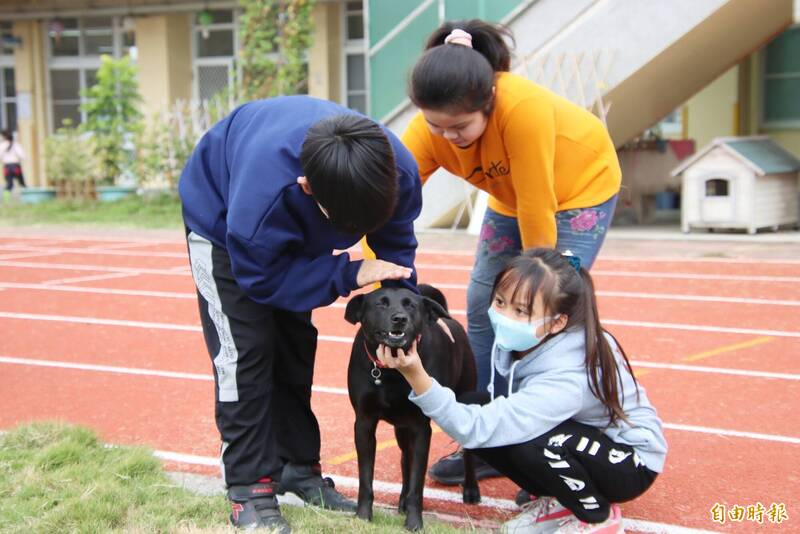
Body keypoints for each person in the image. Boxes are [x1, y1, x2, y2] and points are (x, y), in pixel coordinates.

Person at [179, 96, 422, 532]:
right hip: (220, 222)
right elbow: (262, 282)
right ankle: (249, 485)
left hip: (297, 211)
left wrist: (402, 313)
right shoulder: (264, 199)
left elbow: (397, 245)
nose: (350, 235)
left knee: (296, 341)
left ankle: (296, 466)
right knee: (247, 352)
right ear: (309, 187)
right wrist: (347, 273)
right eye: (345, 227)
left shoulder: (398, 170)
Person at [401, 20, 622, 483]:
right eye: (436, 127)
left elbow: (538, 208)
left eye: (459, 127)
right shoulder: (431, 129)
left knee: (547, 314)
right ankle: (486, 432)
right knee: (483, 304)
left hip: (579, 188)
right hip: (511, 195)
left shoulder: (524, 110)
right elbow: (391, 192)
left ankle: (559, 435)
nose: (447, 137)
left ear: (488, 103)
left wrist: (534, 283)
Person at [376, 248, 666, 533]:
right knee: (475, 403)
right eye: (500, 302)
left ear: (557, 322)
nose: (504, 315)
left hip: (630, 463)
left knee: (533, 442)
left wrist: (416, 375)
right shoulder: (542, 339)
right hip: (586, 437)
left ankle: (595, 516)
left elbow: (473, 428)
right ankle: (558, 500)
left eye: (521, 311)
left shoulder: (566, 377)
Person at [2, 129, 26, 199]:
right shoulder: (16, 145)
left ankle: (6, 199)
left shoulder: (2, 145)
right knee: (22, 183)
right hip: (15, 166)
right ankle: (26, 198)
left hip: (7, 167)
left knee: (9, 184)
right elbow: (23, 156)